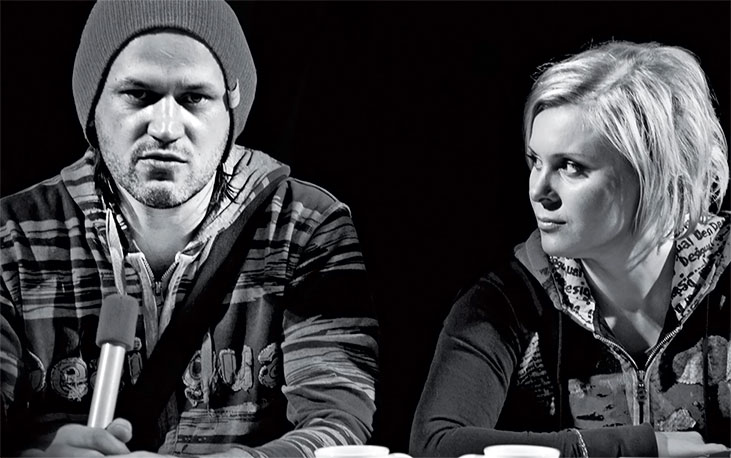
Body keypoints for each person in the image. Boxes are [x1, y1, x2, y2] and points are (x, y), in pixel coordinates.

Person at [0, 0, 378, 456]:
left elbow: (338, 426)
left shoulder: (306, 228)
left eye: (194, 98)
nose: (165, 127)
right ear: (92, 109)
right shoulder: (13, 238)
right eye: (138, 94)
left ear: (231, 110)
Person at [410, 41, 730, 457]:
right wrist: (639, 447)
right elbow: (436, 446)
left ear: (656, 173)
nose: (538, 190)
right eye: (535, 161)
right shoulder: (509, 300)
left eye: (571, 166)